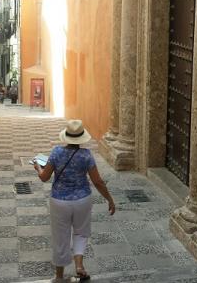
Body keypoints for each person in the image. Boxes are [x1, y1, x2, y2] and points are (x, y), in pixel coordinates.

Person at [34, 119, 116, 282]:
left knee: (60, 237)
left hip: (59, 201)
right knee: (81, 232)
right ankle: (79, 266)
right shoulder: (86, 155)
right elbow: (97, 181)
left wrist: (38, 167)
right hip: (82, 200)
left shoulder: (56, 152)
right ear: (81, 138)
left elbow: (44, 177)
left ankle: (59, 276)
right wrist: (109, 199)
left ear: (66, 137)